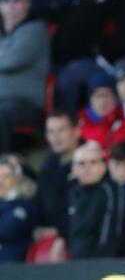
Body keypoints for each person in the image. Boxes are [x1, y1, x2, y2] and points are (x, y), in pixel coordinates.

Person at [0, 0, 49, 153]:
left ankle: (3, 166)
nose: (11, 6)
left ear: (27, 3)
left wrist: (5, 54)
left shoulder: (35, 30)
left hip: (26, 104)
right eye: (6, 1)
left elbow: (11, 61)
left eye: (16, 1)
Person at [67, 141, 125, 259]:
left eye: (93, 162)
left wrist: (97, 267)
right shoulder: (72, 191)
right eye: (81, 164)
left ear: (103, 166)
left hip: (105, 267)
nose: (87, 168)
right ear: (73, 169)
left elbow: (112, 235)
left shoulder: (112, 191)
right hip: (76, 265)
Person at [34, 111, 81, 262]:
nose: (56, 137)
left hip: (78, 243)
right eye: (51, 132)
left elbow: (86, 211)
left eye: (61, 130)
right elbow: (40, 204)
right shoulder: (47, 167)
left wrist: (60, 233)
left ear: (76, 131)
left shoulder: (89, 164)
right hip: (46, 239)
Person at [78, 71, 125, 156]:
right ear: (90, 99)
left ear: (115, 99)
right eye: (98, 95)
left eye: (107, 95)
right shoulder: (80, 122)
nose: (103, 101)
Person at [0, 155, 36, 264]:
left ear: (16, 178)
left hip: (13, 267)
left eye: (6, 176)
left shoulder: (24, 204)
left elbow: (8, 229)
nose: (0, 181)